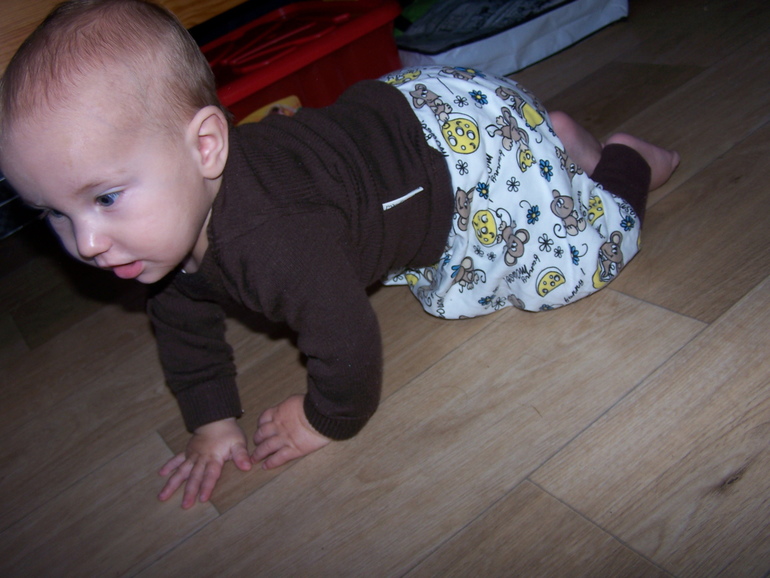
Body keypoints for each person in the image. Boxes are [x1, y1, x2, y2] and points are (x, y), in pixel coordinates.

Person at [0, 0, 679, 509]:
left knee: (571, 266)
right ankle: (557, 145)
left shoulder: (274, 241)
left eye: (105, 197)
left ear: (206, 147)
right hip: (401, 113)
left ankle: (622, 161)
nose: (86, 243)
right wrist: (211, 420)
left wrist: (323, 419)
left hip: (468, 152)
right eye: (53, 212)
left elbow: (349, 341)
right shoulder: (162, 234)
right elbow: (182, 325)